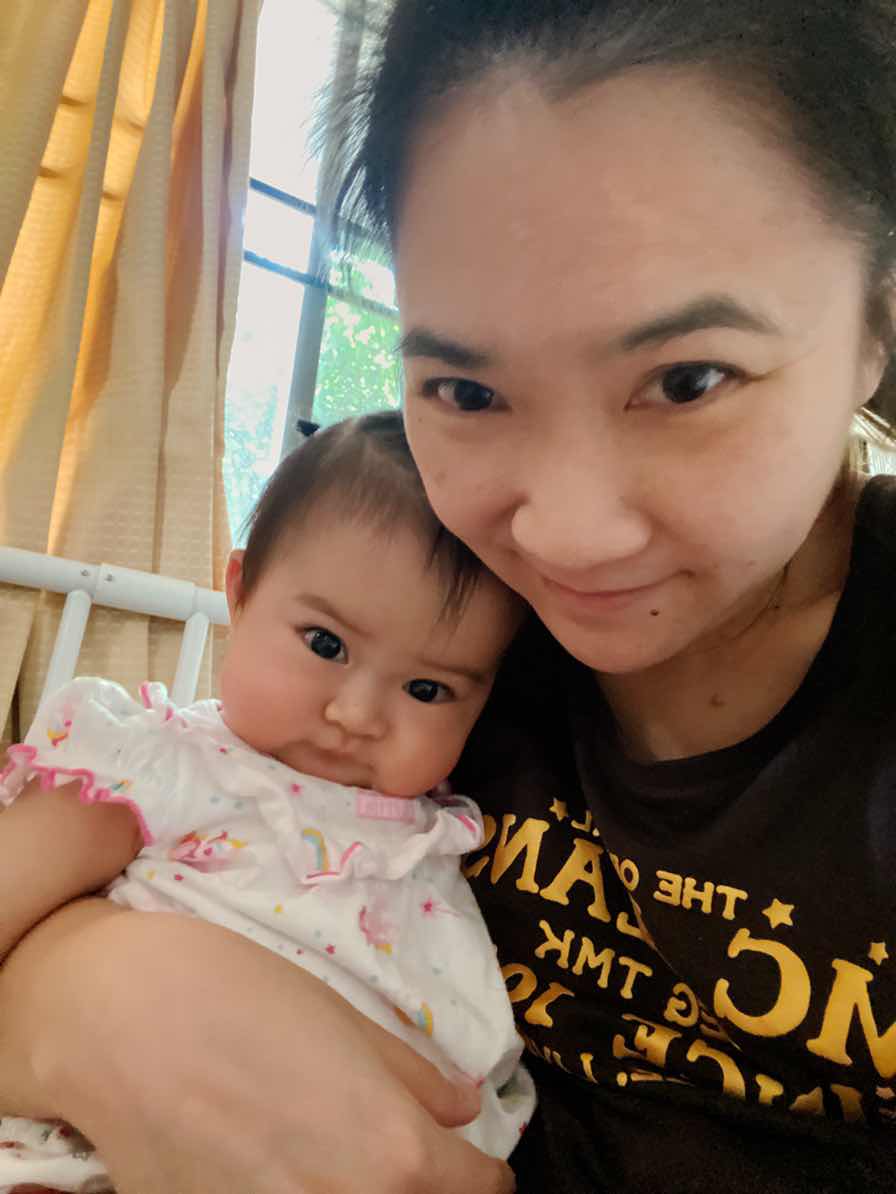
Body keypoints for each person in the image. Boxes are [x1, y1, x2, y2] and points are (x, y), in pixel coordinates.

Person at [1, 0, 895, 1190]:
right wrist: (90, 1000)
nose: (562, 535)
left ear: (875, 321)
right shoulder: (435, 617)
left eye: (687, 380)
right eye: (466, 393)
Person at [0, 414, 531, 1192]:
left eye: (427, 689)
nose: (357, 714)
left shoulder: (442, 833)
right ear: (241, 593)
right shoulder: (162, 762)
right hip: (95, 1150)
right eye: (326, 644)